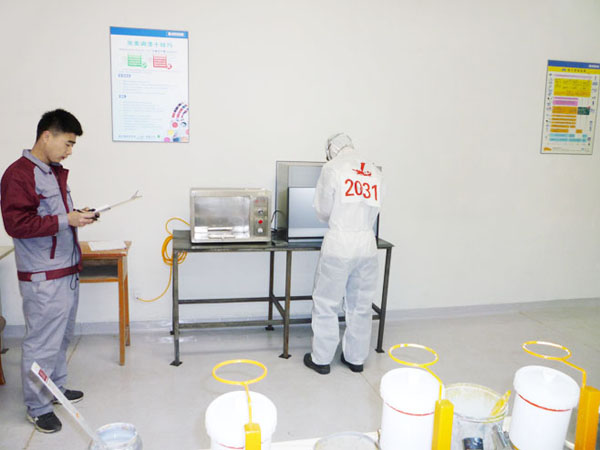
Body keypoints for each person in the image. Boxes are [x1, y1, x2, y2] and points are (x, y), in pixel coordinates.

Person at [0, 109, 97, 433]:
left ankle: (54, 388)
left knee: (61, 337)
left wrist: (77, 215)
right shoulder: (19, 174)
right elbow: (17, 224)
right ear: (46, 136)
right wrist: (66, 219)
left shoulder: (52, 172)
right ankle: (38, 407)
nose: (69, 151)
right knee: (42, 343)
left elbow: (52, 216)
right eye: (67, 143)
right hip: (43, 276)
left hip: (66, 270)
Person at [304, 133, 383, 375]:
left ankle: (321, 359)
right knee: (361, 304)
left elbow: (322, 209)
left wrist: (337, 217)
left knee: (326, 302)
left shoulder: (332, 167)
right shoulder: (373, 170)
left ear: (331, 149)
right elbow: (376, 208)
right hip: (367, 243)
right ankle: (355, 358)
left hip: (339, 243)